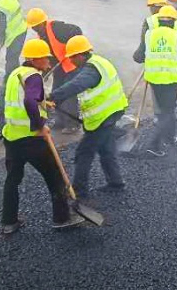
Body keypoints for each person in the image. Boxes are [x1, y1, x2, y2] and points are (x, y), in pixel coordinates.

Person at [0, 38, 82, 234]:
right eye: (46, 58)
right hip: (32, 139)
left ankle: (8, 222)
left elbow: (23, 99)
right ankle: (62, 219)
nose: (48, 62)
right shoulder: (34, 76)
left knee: (12, 180)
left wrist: (43, 103)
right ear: (36, 59)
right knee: (55, 177)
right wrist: (39, 126)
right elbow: (29, 101)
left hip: (11, 137)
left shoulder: (16, 74)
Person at [45, 35, 128, 196]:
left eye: (72, 58)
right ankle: (116, 182)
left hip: (104, 116)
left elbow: (77, 84)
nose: (71, 61)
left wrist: (53, 96)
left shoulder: (91, 70)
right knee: (106, 149)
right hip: (112, 111)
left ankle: (79, 190)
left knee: (84, 152)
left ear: (81, 55)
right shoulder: (98, 62)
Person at [134, 5, 177, 158]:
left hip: (154, 80)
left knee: (166, 109)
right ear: (174, 21)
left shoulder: (150, 35)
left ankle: (170, 137)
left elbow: (138, 56)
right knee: (168, 112)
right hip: (170, 80)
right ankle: (153, 145)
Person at [25, 7, 84, 133]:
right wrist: (42, 74)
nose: (34, 29)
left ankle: (73, 124)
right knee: (56, 91)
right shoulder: (42, 36)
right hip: (59, 67)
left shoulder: (56, 28)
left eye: (35, 26)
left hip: (71, 65)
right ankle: (60, 121)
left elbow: (77, 30)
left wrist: (72, 48)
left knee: (68, 93)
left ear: (42, 22)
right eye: (32, 27)